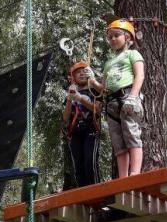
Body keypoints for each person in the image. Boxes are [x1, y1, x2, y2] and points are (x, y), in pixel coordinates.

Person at [88, 19, 144, 178]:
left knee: (131, 134)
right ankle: (123, 177)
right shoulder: (108, 63)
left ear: (128, 37)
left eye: (116, 35)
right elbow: (103, 88)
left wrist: (133, 97)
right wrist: (92, 81)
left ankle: (135, 173)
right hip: (111, 102)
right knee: (118, 142)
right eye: (110, 37)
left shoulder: (133, 54)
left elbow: (139, 75)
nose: (112, 39)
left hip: (127, 96)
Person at [62, 61, 102, 187]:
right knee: (78, 165)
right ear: (73, 77)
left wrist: (80, 99)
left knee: (90, 162)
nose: (81, 74)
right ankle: (83, 191)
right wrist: (70, 99)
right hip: (75, 132)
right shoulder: (71, 92)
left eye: (84, 72)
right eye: (78, 72)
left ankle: (96, 190)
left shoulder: (94, 91)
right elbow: (65, 117)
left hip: (91, 129)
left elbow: (98, 110)